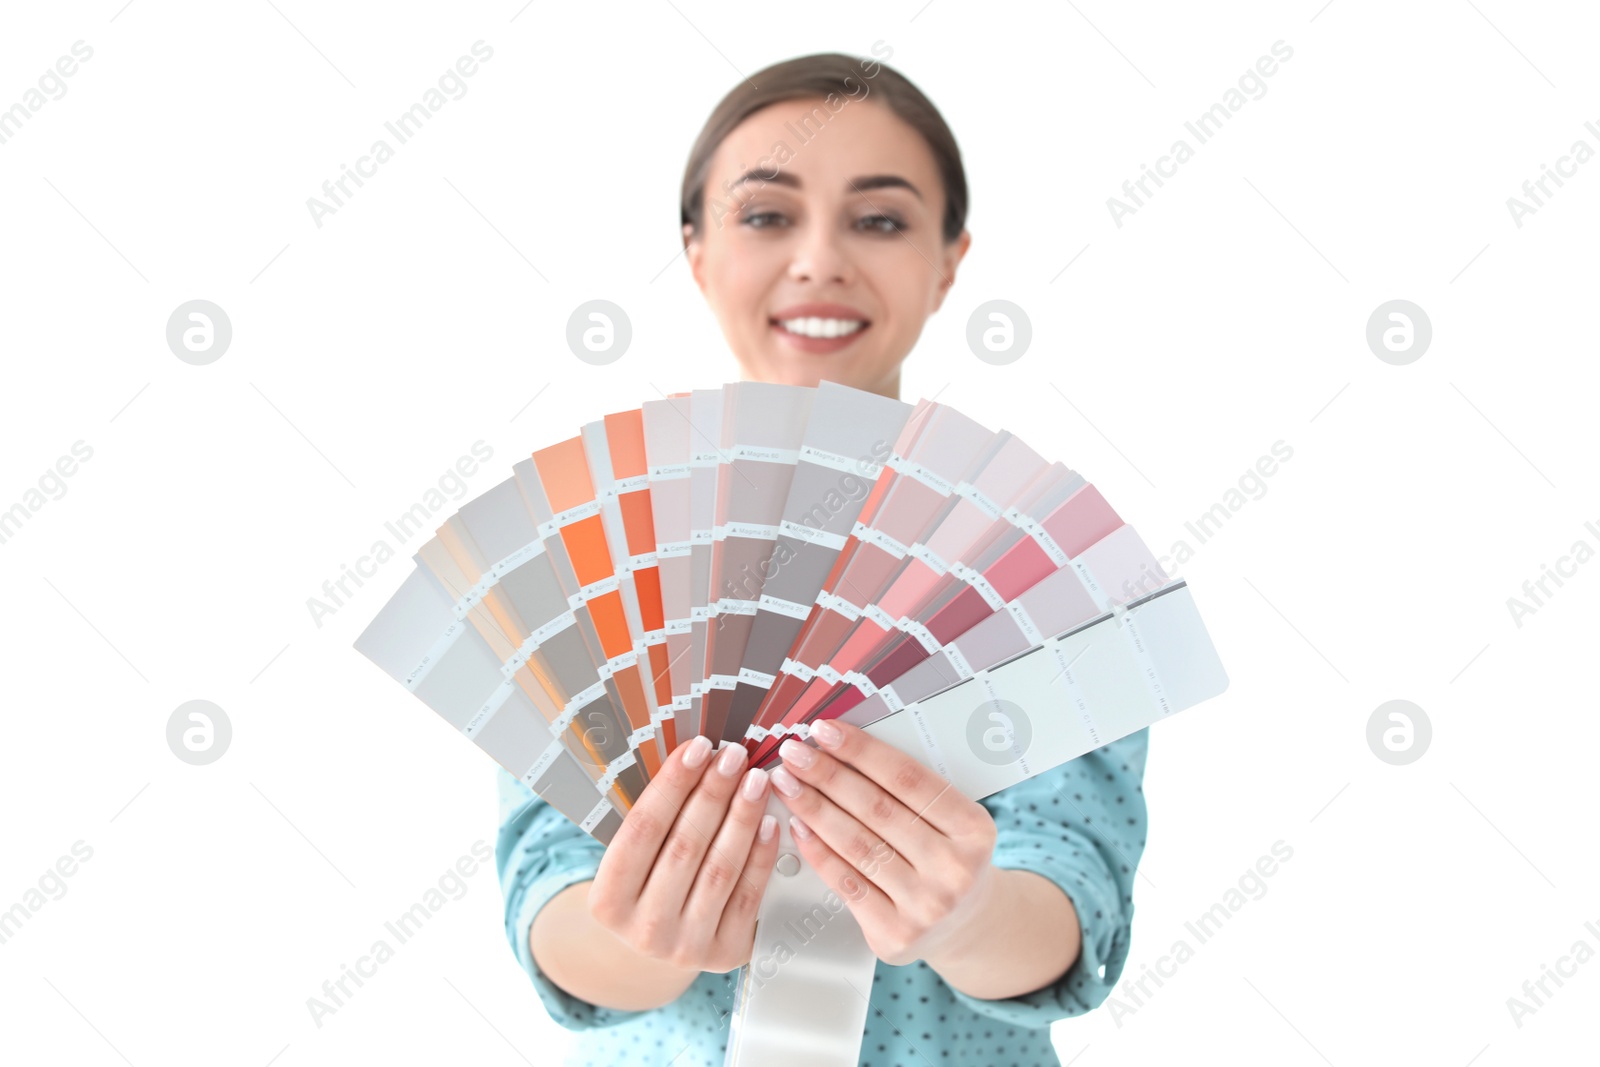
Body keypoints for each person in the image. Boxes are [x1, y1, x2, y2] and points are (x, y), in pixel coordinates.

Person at [494, 51, 1149, 1067]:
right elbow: (546, 889)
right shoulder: (588, 565)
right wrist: (640, 935)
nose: (819, 260)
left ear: (949, 259)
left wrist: (964, 918)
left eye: (879, 220)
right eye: (765, 216)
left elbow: (1079, 886)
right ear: (697, 251)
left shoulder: (1048, 568)